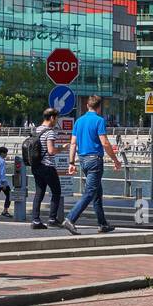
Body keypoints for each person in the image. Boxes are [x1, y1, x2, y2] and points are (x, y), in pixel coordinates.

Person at [62, 95, 123, 235]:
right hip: (95, 160)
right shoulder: (99, 120)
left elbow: (73, 143)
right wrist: (115, 160)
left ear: (87, 106)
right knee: (90, 193)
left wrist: (71, 162)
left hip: (82, 160)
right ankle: (70, 219)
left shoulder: (79, 121)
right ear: (99, 107)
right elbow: (105, 143)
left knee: (97, 192)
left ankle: (102, 224)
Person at [30, 107, 64, 229]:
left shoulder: (36, 130)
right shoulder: (49, 132)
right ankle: (52, 218)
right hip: (47, 166)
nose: (57, 121)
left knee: (39, 193)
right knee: (56, 192)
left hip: (36, 166)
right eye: (56, 118)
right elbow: (51, 151)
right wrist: (62, 148)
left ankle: (35, 220)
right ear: (52, 118)